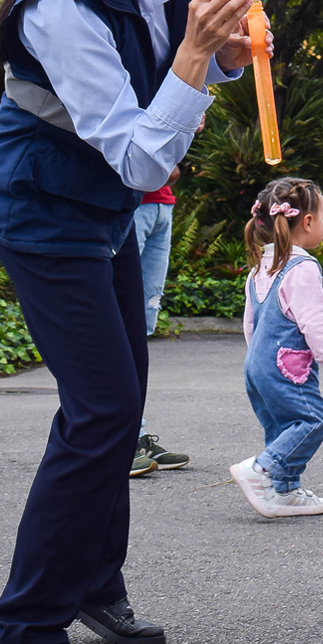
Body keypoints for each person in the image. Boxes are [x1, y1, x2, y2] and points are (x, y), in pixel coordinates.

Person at [0, 0, 258, 644]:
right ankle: (24, 630)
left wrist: (231, 54)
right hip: (42, 209)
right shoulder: (59, 6)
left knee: (119, 402)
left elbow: (190, 73)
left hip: (103, 210)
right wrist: (197, 55)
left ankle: (95, 585)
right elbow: (140, 154)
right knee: (102, 411)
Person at [230, 177, 323, 518]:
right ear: (308, 222)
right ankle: (261, 469)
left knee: (282, 427)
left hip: (257, 365)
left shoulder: (260, 267)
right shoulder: (303, 267)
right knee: (311, 420)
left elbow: (251, 323)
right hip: (286, 366)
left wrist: (258, 360)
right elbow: (315, 321)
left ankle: (284, 491)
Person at [129, 166, 189, 477]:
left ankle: (134, 436)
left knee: (139, 328)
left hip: (160, 203)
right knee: (117, 325)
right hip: (129, 203)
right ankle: (117, 442)